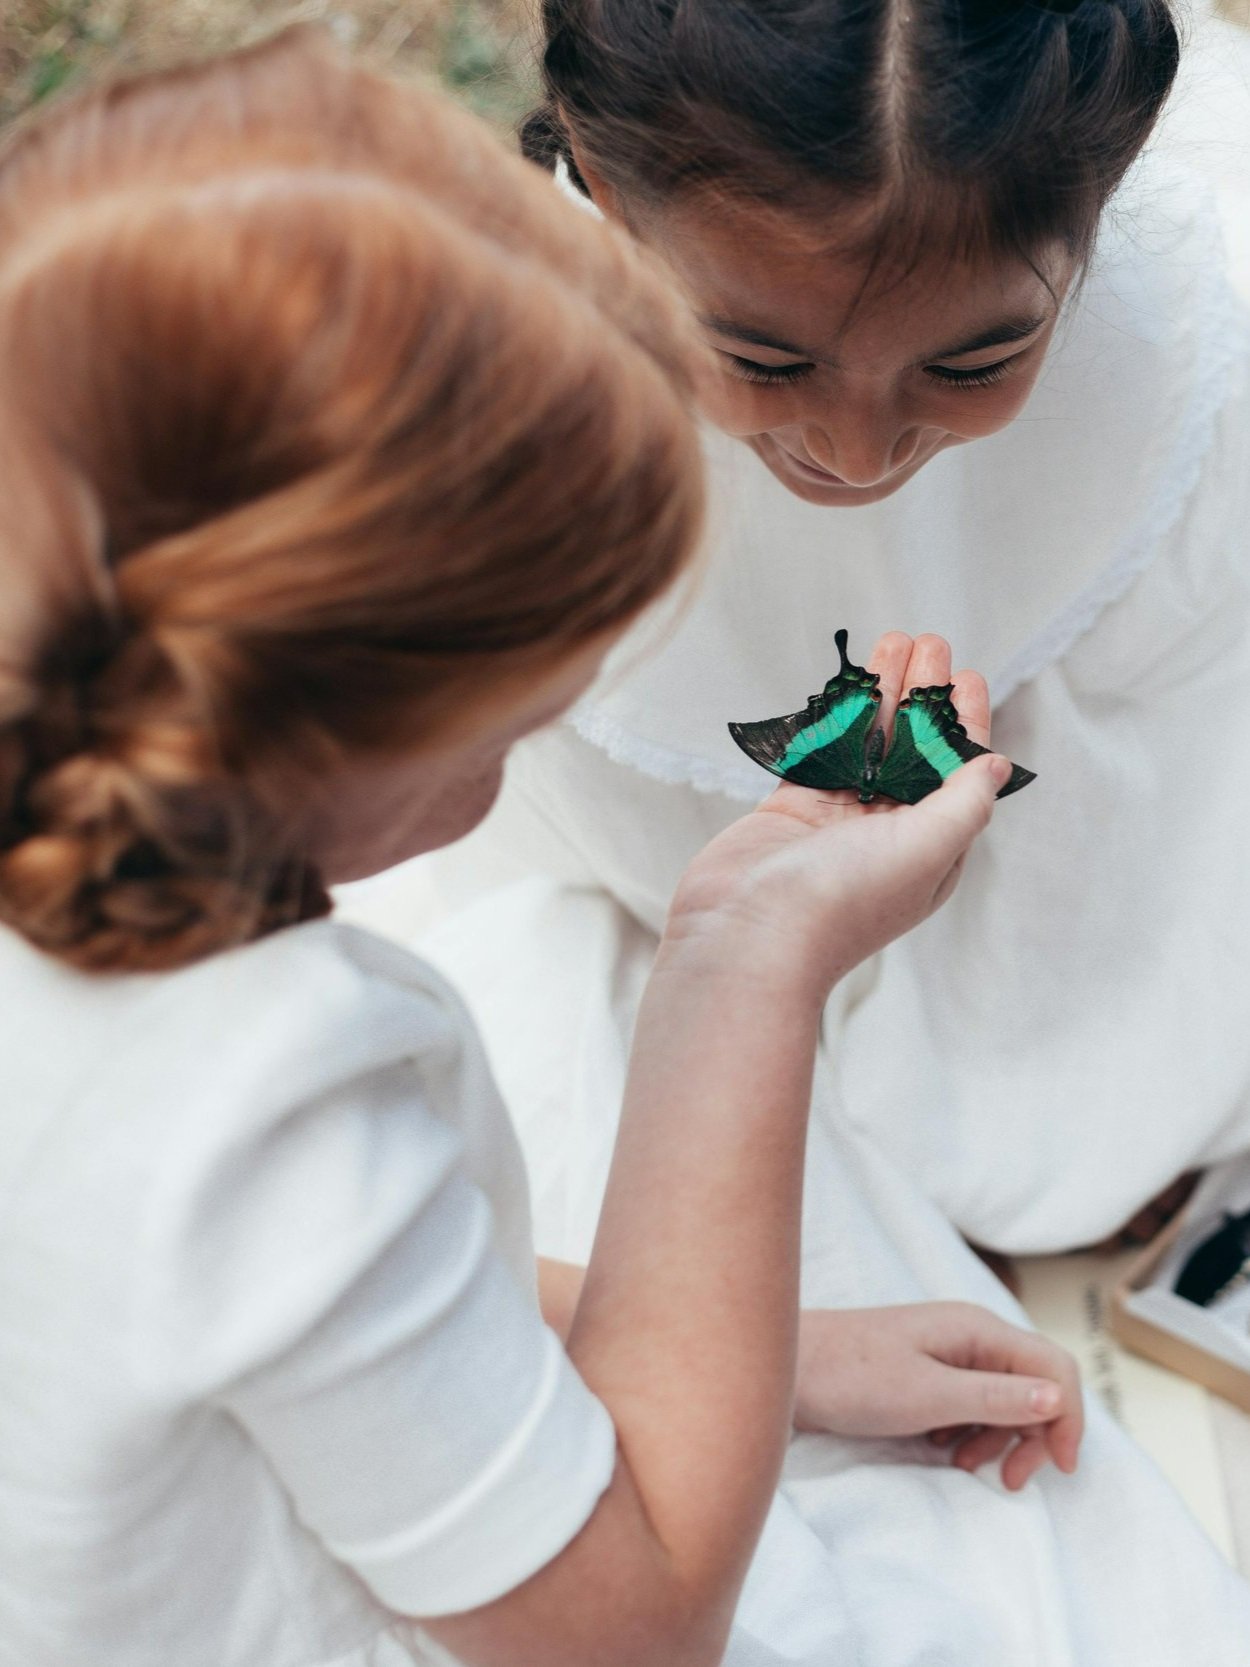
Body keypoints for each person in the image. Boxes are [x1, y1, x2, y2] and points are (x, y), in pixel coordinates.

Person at [0, 28, 1094, 1667]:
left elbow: (261, 1311)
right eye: (528, 712)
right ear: (349, 725)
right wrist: (742, 966)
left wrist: (768, 1356)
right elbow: (630, 1631)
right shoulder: (271, 1101)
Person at [347, 0, 1250, 1659]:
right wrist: (748, 968)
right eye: (760, 356)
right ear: (605, 197)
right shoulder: (454, 392)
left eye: (977, 358)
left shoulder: (1205, 344)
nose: (850, 448)